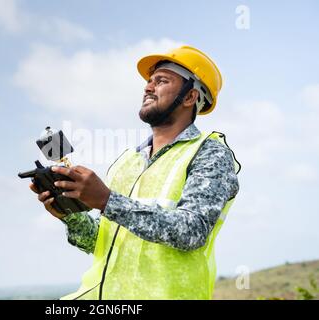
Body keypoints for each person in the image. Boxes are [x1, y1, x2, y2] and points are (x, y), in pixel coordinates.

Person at [29, 45, 240, 300]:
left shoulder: (210, 153)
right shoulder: (126, 162)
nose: (148, 88)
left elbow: (191, 231)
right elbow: (102, 242)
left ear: (189, 97)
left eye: (161, 81)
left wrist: (107, 200)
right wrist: (69, 214)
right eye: (149, 82)